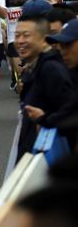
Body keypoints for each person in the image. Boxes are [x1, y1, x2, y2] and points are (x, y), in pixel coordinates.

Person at [16, 14, 73, 161]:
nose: (20, 41)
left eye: (26, 35)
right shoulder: (36, 67)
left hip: (45, 160)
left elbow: (70, 112)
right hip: (34, 155)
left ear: (44, 39)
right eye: (17, 36)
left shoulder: (51, 68)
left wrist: (44, 119)